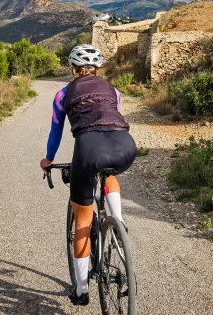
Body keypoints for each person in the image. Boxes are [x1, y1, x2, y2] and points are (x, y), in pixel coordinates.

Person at [40, 44, 137, 306]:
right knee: (109, 173)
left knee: (83, 220)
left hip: (88, 149)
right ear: (97, 69)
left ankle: (81, 290)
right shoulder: (113, 90)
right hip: (125, 146)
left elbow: (55, 133)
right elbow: (111, 115)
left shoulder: (63, 94)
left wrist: (48, 160)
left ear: (73, 69)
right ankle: (118, 222)